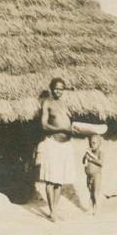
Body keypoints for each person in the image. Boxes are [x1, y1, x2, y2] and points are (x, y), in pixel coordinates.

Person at [38, 77, 76, 222]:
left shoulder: (65, 104)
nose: (59, 91)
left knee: (59, 180)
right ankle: (52, 211)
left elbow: (69, 123)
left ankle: (55, 210)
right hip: (53, 143)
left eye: (61, 89)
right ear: (51, 89)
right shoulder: (47, 103)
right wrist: (61, 128)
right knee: (50, 179)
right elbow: (44, 125)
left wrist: (71, 129)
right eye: (56, 88)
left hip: (65, 145)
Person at [82, 134, 104, 215]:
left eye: (94, 143)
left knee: (96, 192)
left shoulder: (100, 153)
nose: (92, 145)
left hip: (97, 175)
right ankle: (90, 208)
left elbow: (101, 163)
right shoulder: (88, 152)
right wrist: (85, 156)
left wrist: (91, 159)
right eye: (90, 143)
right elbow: (83, 162)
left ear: (99, 144)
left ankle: (97, 209)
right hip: (89, 176)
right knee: (91, 192)